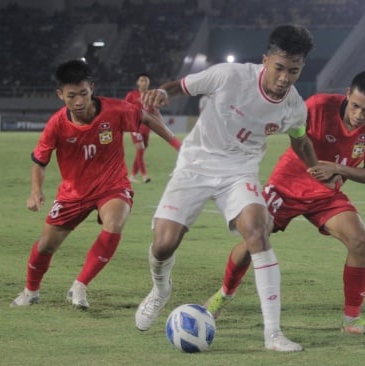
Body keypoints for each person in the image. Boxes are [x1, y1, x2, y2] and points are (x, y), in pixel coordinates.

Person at [134, 25, 319, 352]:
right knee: (164, 245)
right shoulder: (229, 76)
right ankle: (160, 290)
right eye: (279, 68)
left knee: (258, 232)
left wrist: (315, 168)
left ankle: (273, 334)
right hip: (195, 164)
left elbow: (300, 139)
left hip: (240, 170)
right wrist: (162, 94)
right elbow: (179, 87)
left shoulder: (294, 107)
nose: (284, 78)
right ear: (265, 60)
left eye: (294, 70)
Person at [203, 71, 365, 337]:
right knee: (254, 238)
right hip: (287, 185)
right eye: (356, 105)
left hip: (326, 193)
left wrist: (336, 169)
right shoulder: (318, 106)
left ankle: (352, 319)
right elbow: (278, 125)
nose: (359, 115)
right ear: (348, 94)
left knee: (360, 241)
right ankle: (222, 296)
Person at [10, 60, 181, 310]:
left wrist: (179, 147)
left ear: (91, 87)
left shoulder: (114, 110)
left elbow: (145, 117)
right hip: (73, 193)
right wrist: (35, 192)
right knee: (46, 245)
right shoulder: (56, 125)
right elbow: (39, 163)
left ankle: (80, 286)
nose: (78, 101)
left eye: (83, 93)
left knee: (115, 221)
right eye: (71, 96)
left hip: (111, 186)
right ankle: (31, 291)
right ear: (60, 95)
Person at [125, 73, 154, 183]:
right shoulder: (131, 95)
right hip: (135, 126)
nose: (144, 82)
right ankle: (145, 175)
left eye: (146, 80)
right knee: (140, 148)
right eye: (142, 80)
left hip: (147, 127)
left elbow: (154, 111)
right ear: (138, 82)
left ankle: (132, 176)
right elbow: (124, 108)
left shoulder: (151, 96)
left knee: (140, 152)